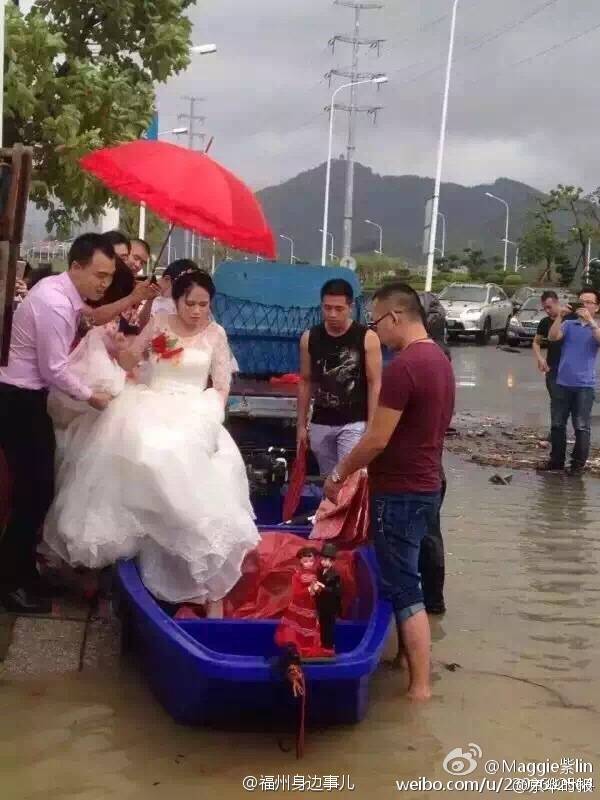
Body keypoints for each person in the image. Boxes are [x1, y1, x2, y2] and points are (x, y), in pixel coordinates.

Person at [43, 269, 259, 611]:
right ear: (177, 300)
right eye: (191, 303)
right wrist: (120, 347)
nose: (197, 311)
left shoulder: (216, 334)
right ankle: (128, 576)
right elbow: (130, 360)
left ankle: (193, 575)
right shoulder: (159, 322)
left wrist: (211, 414)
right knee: (143, 454)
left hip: (194, 409)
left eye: (204, 304)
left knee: (188, 471)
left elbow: (220, 385)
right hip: (150, 400)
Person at [323, 283, 455, 701]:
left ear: (396, 317)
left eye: (376, 321)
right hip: (428, 483)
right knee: (409, 573)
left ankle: (419, 688)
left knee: (403, 586)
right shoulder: (440, 360)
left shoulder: (404, 367)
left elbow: (377, 439)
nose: (374, 330)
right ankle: (405, 661)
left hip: (400, 489)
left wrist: (341, 472)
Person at [0, 233, 116, 614]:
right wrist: (91, 396)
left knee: (39, 490)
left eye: (108, 277)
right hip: (20, 398)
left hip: (27, 398)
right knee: (32, 493)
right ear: (77, 266)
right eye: (98, 275)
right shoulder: (53, 302)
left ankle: (22, 572)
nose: (103, 283)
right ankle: (9, 582)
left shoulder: (61, 293)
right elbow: (53, 369)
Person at [297, 279, 382, 476]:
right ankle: (331, 507)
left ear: (350, 307)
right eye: (327, 308)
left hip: (354, 422)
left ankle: (349, 507)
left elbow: (374, 382)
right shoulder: (310, 337)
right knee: (328, 480)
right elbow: (305, 381)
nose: (332, 314)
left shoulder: (367, 338)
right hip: (321, 420)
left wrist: (372, 426)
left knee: (348, 478)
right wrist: (301, 425)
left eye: (339, 308)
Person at [542, 287, 600, 475]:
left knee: (581, 426)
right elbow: (552, 337)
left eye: (588, 302)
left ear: (596, 307)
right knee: (557, 423)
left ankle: (577, 465)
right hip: (562, 382)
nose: (583, 305)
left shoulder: (596, 327)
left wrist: (590, 322)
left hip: (585, 385)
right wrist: (560, 316)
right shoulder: (569, 324)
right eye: (580, 301)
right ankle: (556, 461)